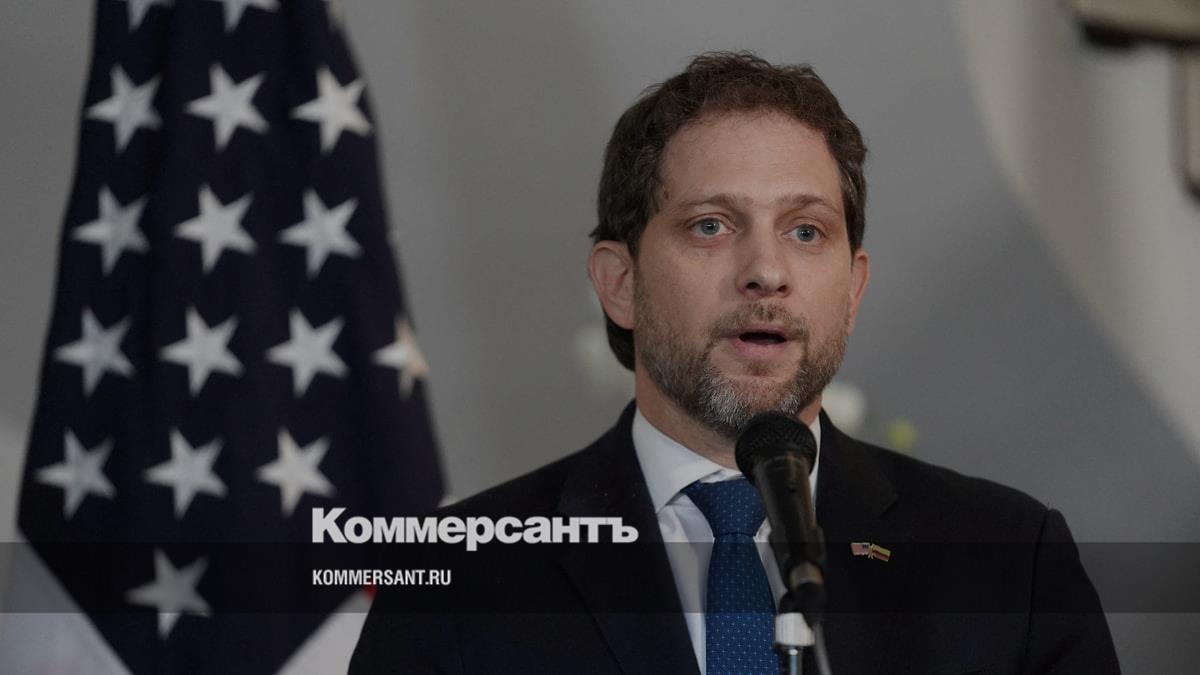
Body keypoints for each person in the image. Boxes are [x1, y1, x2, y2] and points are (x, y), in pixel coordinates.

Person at [350, 51, 1120, 674]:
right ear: (620, 284)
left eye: (806, 231)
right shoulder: (456, 579)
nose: (766, 272)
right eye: (712, 225)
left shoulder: (1009, 562)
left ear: (853, 290)